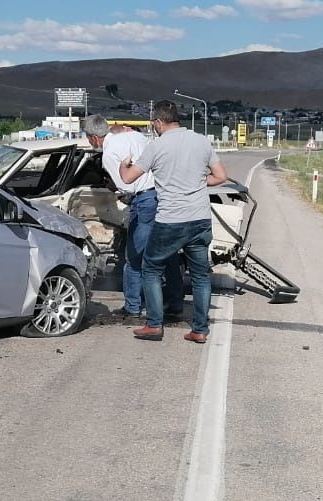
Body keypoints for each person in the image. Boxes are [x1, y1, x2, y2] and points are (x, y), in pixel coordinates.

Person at [118, 100, 226, 343]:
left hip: (171, 220)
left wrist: (122, 164)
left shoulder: (157, 146)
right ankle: (200, 329)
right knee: (200, 275)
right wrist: (198, 183)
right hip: (199, 218)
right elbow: (220, 176)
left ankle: (154, 325)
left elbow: (127, 178)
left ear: (158, 122)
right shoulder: (201, 141)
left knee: (151, 268)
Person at [82, 114, 183, 320]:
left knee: (135, 258)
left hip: (144, 201)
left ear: (93, 137)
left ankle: (134, 306)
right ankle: (174, 302)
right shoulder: (134, 137)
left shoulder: (109, 153)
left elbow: (125, 184)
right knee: (167, 253)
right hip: (163, 196)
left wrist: (111, 186)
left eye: (88, 138)